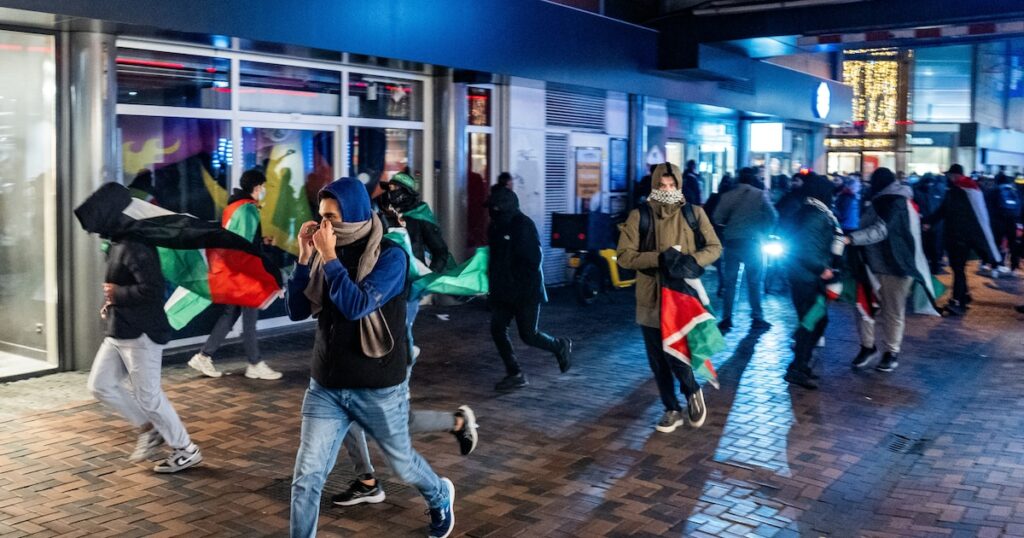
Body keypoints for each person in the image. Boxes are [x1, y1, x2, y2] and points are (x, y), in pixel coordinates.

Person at [286, 178, 454, 538]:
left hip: (376, 385)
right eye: (321, 217)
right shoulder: (321, 251)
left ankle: (440, 495)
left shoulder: (391, 255)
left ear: (355, 213)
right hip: (327, 385)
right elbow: (297, 309)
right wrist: (303, 257)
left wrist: (328, 257)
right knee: (307, 477)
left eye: (332, 216)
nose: (324, 226)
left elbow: (356, 305)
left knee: (403, 466)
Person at [331, 172, 478, 508]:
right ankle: (367, 480)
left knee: (391, 420)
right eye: (389, 189)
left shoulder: (420, 219)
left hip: (397, 321)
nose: (392, 193)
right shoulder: (378, 218)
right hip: (372, 327)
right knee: (352, 411)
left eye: (398, 189)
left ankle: (454, 429)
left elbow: (440, 255)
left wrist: (423, 278)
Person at [616, 162, 722, 432]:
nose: (666, 189)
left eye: (671, 185)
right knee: (657, 359)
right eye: (661, 186)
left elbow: (714, 247)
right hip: (651, 296)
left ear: (678, 184)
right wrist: (659, 259)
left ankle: (692, 390)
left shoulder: (694, 213)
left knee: (679, 353)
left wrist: (693, 261)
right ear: (654, 186)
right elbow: (625, 256)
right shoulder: (640, 216)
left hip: (683, 295)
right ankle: (671, 408)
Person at [86, 232, 203, 473]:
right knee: (100, 384)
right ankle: (150, 428)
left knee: (148, 396)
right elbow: (119, 285)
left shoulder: (135, 245)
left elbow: (152, 289)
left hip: (141, 333)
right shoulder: (116, 244)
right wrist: (110, 302)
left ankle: (186, 449)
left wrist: (117, 294)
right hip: (119, 330)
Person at [189, 169, 281, 380]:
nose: (264, 191)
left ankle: (204, 356)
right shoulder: (248, 210)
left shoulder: (232, 207)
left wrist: (261, 241)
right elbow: (246, 246)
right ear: (257, 187)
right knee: (249, 319)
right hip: (244, 273)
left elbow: (239, 238)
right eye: (263, 187)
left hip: (232, 270)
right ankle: (255, 363)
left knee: (230, 315)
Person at [486, 187, 573, 391]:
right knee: (497, 329)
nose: (491, 211)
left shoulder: (523, 225)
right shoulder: (495, 227)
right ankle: (514, 373)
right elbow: (494, 259)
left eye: (494, 208)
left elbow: (533, 260)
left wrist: (513, 279)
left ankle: (560, 345)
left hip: (525, 292)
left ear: (503, 208)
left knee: (528, 335)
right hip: (503, 291)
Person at [846, 168, 916, 373]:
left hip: (895, 266)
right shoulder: (881, 199)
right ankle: (868, 346)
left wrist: (852, 238)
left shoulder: (896, 201)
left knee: (892, 311)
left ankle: (891, 352)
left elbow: (881, 230)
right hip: (870, 263)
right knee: (863, 307)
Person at [780, 173, 842, 390]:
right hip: (808, 277)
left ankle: (801, 364)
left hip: (804, 276)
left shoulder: (812, 211)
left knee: (813, 321)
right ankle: (797, 368)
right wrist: (821, 269)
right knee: (812, 321)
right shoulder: (815, 215)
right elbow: (805, 248)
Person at [923, 164, 1001, 316]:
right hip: (961, 238)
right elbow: (945, 211)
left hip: (959, 239)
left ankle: (958, 301)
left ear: (955, 175)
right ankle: (963, 297)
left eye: (950, 175)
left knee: (958, 270)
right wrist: (928, 221)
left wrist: (928, 221)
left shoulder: (961, 190)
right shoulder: (966, 189)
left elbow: (954, 214)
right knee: (958, 269)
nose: (949, 178)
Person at [712, 167, 777, 332]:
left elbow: (717, 218)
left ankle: (726, 318)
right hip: (753, 243)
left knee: (730, 283)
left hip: (732, 242)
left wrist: (729, 225)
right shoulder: (760, 194)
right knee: (755, 282)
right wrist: (766, 231)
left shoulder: (727, 195)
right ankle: (757, 317)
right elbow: (774, 216)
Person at [985, 171, 1020, 274]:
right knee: (1013, 244)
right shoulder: (1013, 190)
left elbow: (988, 207)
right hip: (1012, 220)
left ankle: (995, 268)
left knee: (996, 244)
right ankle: (1014, 268)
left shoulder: (994, 190)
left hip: (998, 221)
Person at [913, 173, 947, 274]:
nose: (929, 184)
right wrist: (923, 222)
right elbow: (915, 207)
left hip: (936, 225)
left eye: (931, 182)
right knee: (923, 248)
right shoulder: (916, 190)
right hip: (922, 225)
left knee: (936, 248)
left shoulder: (939, 190)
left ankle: (935, 269)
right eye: (927, 182)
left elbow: (942, 208)